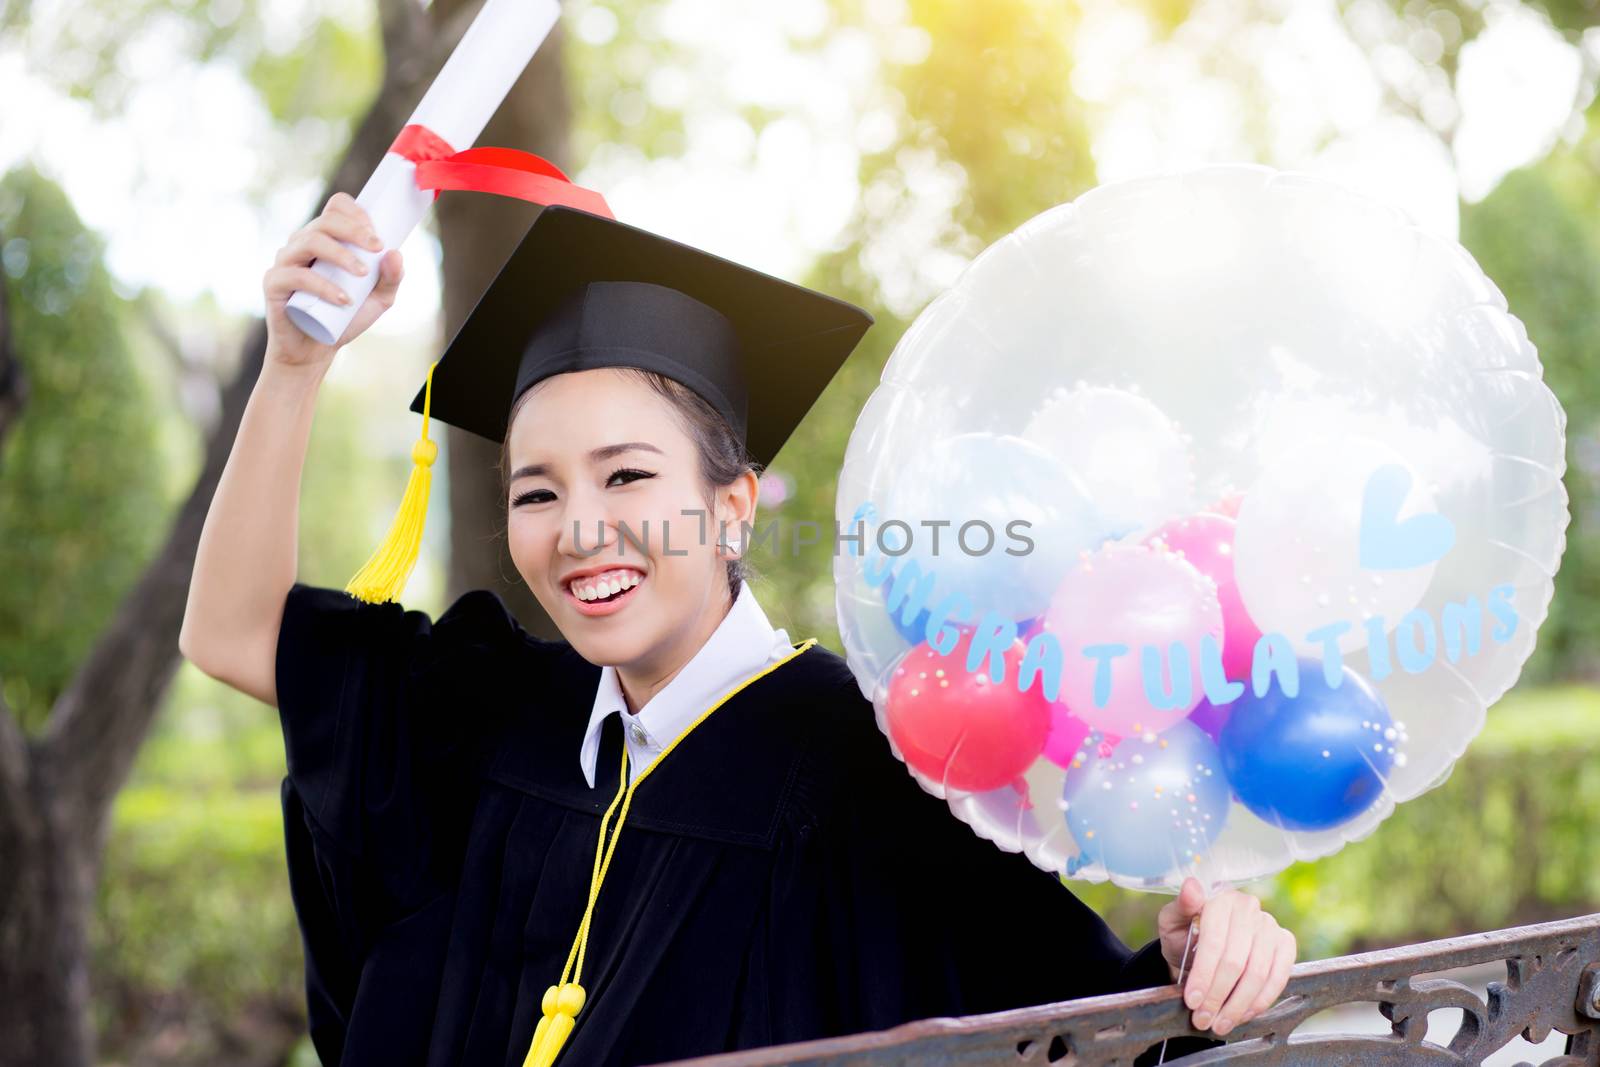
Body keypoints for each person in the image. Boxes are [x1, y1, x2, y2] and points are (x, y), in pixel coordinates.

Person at [179, 193, 1295, 1067]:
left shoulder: (870, 767)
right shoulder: (488, 711)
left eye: (627, 474)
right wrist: (294, 364)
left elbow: (1076, 1020)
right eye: (534, 491)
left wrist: (1197, 960)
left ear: (733, 503)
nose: (581, 530)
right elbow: (231, 631)